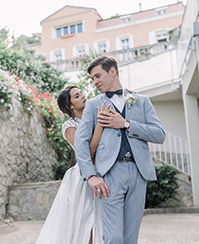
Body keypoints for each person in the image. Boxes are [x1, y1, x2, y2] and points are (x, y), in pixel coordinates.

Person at [74, 55, 166, 244]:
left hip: (139, 173)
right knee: (114, 237)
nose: (95, 82)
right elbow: (81, 142)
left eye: (98, 76)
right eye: (92, 78)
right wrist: (91, 176)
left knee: (131, 237)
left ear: (113, 71)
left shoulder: (141, 101)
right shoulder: (92, 105)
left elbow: (159, 135)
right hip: (109, 174)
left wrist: (126, 124)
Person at [36, 85, 109, 244]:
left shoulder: (96, 116)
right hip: (83, 178)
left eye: (81, 93)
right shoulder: (70, 127)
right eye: (77, 96)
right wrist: (100, 126)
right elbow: (87, 152)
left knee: (104, 223)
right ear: (69, 106)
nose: (83, 96)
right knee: (86, 222)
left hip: (105, 172)